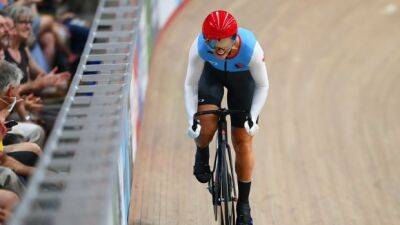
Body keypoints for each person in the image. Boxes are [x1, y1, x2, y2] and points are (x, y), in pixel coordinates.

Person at [184, 10, 269, 225]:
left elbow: (262, 85)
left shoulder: (251, 50)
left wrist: (253, 116)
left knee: (243, 141)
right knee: (206, 125)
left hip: (242, 81)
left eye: (219, 45)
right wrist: (191, 117)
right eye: (210, 44)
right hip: (211, 76)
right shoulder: (200, 47)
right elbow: (190, 84)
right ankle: (202, 153)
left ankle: (243, 205)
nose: (215, 49)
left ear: (234, 38)